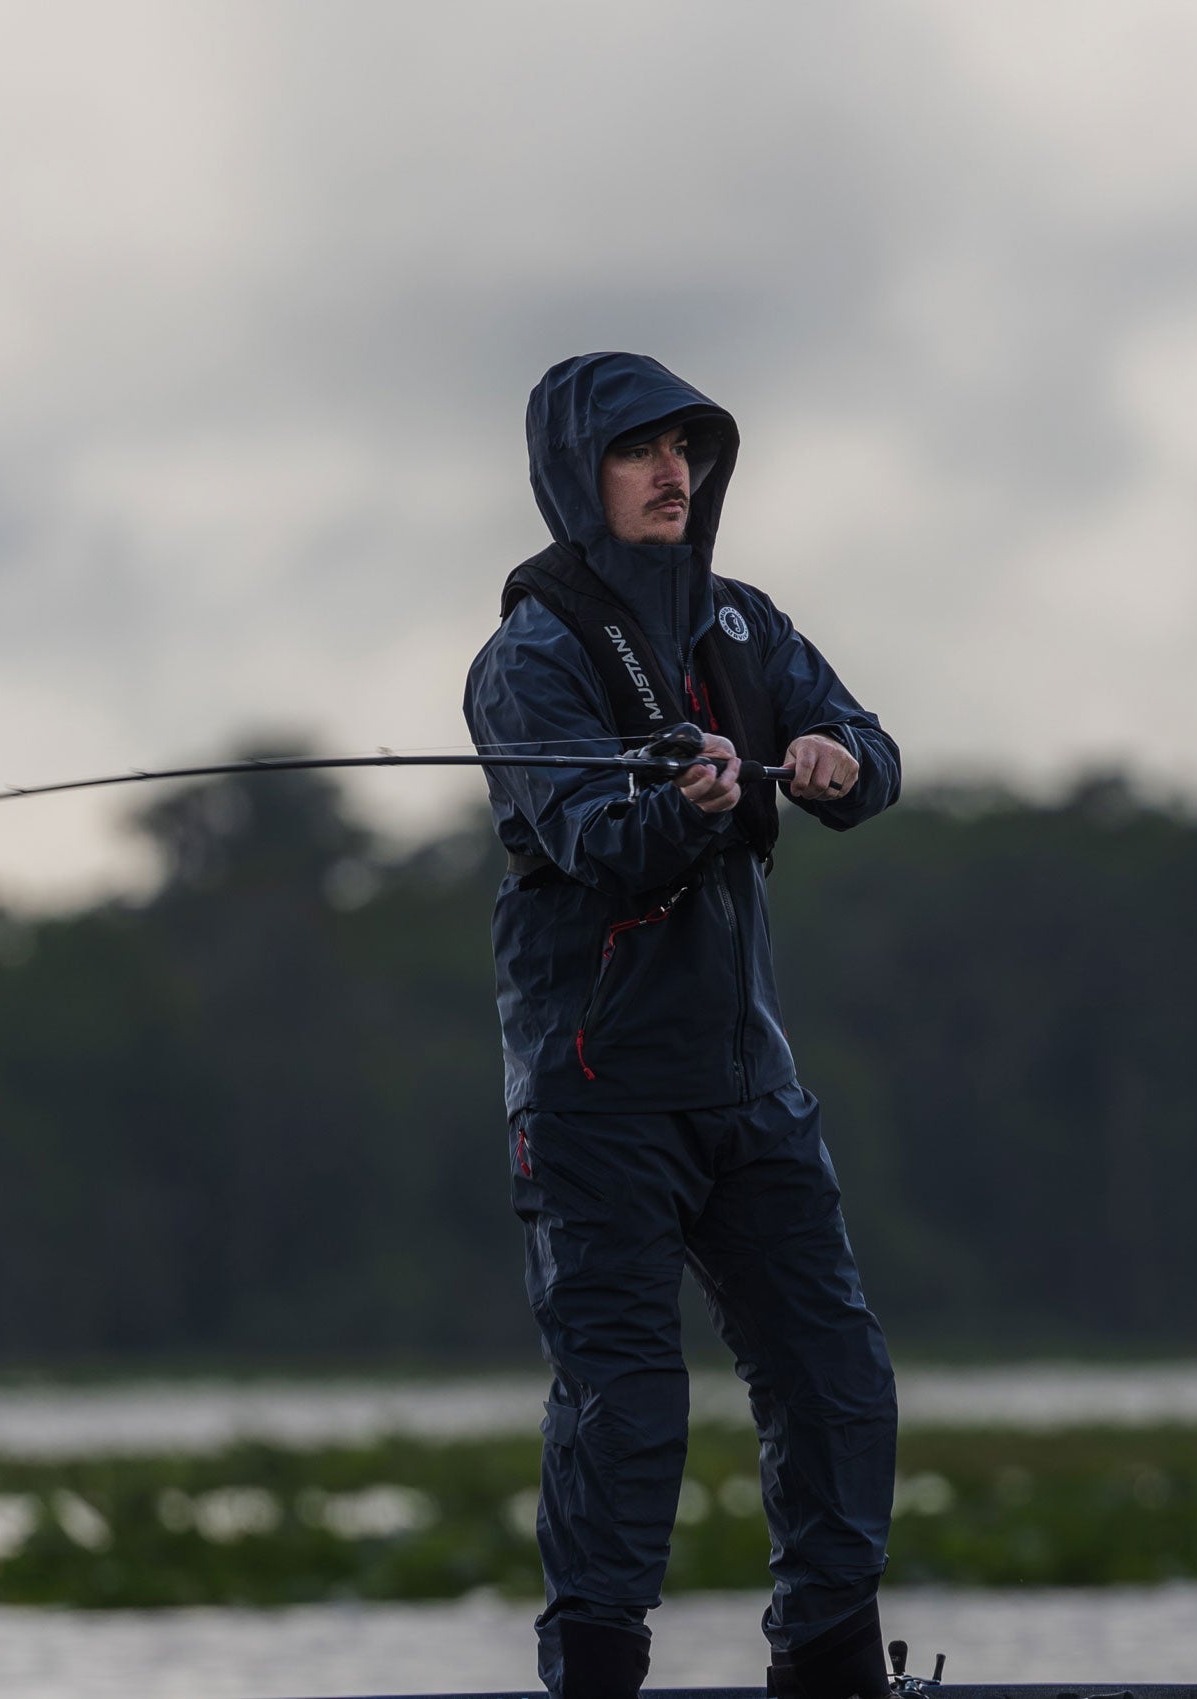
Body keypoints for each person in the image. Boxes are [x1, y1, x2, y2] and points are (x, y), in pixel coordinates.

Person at [463, 352, 903, 1699]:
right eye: (637, 452)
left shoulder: (744, 628)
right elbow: (597, 840)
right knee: (628, 1408)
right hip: (596, 1099)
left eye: (686, 451)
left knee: (838, 1384)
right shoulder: (527, 662)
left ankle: (825, 1664)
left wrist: (838, 761)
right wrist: (687, 805)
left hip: (746, 1092)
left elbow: (871, 756)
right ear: (574, 477)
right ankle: (595, 1673)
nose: (673, 476)